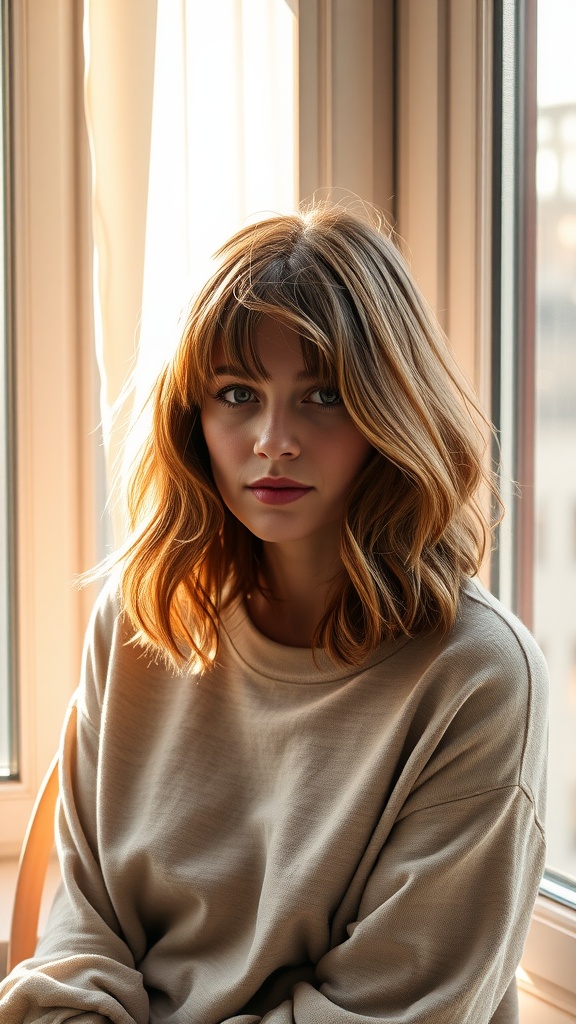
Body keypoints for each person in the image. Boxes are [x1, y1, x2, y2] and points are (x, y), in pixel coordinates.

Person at [0, 205, 547, 1024]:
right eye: (237, 394)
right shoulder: (143, 619)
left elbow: (391, 1011)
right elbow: (82, 938)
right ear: (195, 418)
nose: (273, 440)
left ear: (391, 409)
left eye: (323, 394)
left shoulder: (474, 674)